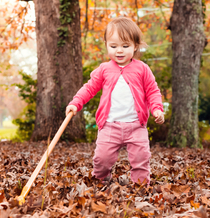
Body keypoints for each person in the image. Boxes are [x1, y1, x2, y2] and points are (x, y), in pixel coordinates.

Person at [66, 17, 164, 185]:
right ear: (106, 45)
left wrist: (156, 108)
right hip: (110, 126)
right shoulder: (104, 70)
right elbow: (89, 88)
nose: (119, 51)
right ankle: (101, 181)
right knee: (102, 159)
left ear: (135, 46)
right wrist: (76, 103)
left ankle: (140, 187)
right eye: (113, 46)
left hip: (136, 126)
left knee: (141, 158)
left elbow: (152, 91)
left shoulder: (142, 69)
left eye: (125, 46)